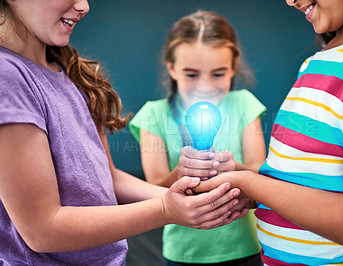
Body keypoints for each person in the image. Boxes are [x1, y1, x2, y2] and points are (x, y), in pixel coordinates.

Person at [0, 1, 247, 265]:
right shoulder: (8, 76)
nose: (84, 6)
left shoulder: (69, 70)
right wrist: (165, 209)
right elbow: (42, 230)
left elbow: (110, 179)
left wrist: (187, 198)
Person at [193, 0, 343, 265]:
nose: (291, 0)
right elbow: (310, 182)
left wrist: (249, 182)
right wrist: (243, 179)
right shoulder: (314, 63)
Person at [129, 10, 267, 265]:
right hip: (184, 252)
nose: (205, 87)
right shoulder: (154, 115)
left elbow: (263, 178)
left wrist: (236, 169)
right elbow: (153, 191)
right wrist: (179, 174)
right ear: (172, 67)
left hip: (245, 247)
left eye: (218, 73)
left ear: (233, 66)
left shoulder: (245, 105)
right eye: (191, 74)